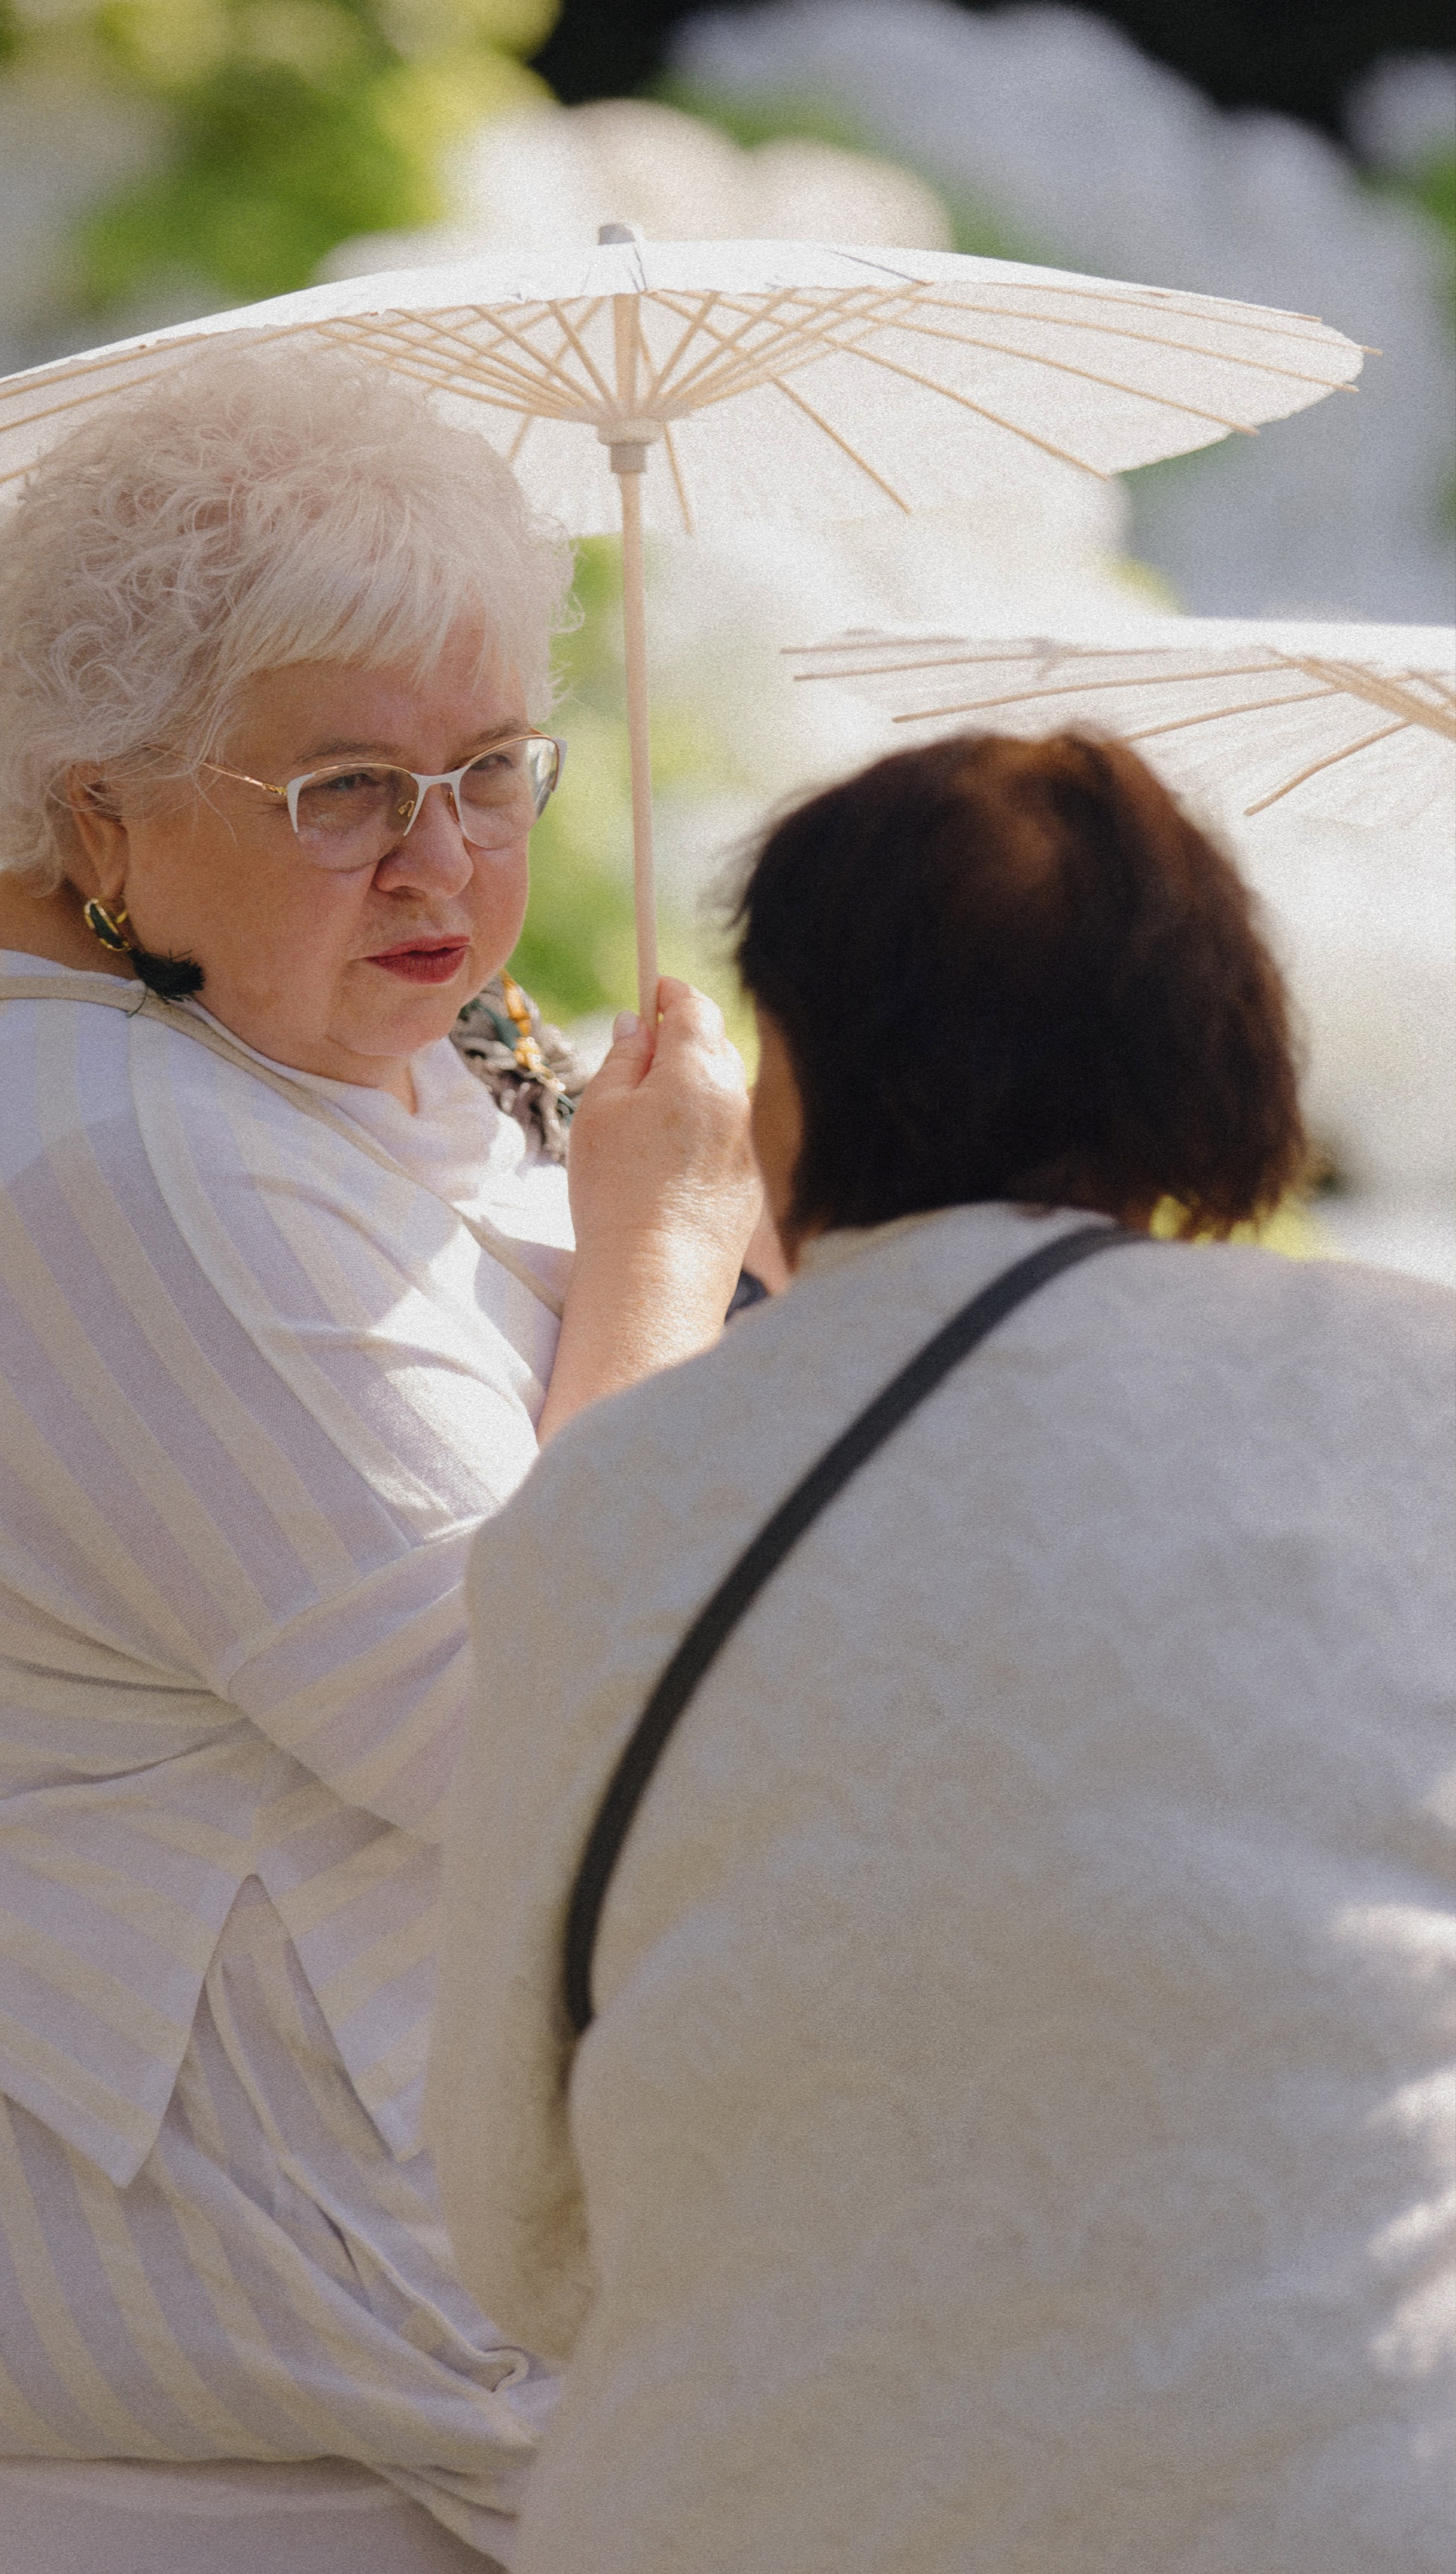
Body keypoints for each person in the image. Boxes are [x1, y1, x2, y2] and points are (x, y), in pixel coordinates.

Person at [0, 345, 761, 2569]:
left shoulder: (126, 1016)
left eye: (488, 767)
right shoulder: (134, 1172)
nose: (447, 860)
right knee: (1071, 2313)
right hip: (151, 2219)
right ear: (99, 805)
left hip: (55, 2137)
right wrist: (663, 1257)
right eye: (344, 788)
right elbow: (558, 1743)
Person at [431, 732, 1456, 2574]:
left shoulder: (608, 1511)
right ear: (1222, 1049)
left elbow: (516, 2229)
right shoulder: (1418, 1400)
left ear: (796, 1072)